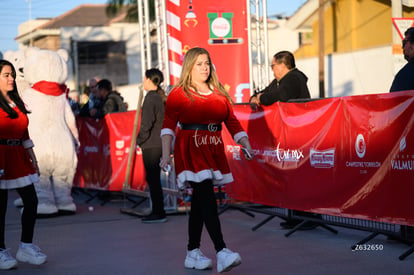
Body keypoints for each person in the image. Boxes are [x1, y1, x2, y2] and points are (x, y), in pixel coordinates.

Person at [159, 47, 254, 273]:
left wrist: (245, 142)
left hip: (213, 147)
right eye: (199, 63)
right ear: (189, 66)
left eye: (207, 63)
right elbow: (168, 125)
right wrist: (165, 154)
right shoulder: (179, 93)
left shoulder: (219, 93)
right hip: (190, 147)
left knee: (201, 202)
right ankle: (221, 250)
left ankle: (193, 252)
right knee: (206, 196)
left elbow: (231, 121)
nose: (204, 67)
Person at [250, 51, 318, 230]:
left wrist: (261, 99)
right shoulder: (281, 80)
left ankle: (307, 217)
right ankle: (295, 215)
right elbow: (265, 92)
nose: (272, 70)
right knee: (291, 176)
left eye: (273, 66)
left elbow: (278, 95)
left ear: (281, 65)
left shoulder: (294, 78)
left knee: (301, 176)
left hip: (300, 134)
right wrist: (255, 98)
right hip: (288, 134)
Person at [0, 60, 47, 270]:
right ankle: (0, 251)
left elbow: (24, 133)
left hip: (18, 156)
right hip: (0, 156)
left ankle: (25, 247)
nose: (11, 79)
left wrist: (33, 159)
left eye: (12, 75)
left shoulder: (16, 102)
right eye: (6, 75)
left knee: (31, 201)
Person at [136, 69, 167, 223]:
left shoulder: (151, 98)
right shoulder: (158, 97)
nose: (143, 81)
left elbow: (146, 124)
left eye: (144, 78)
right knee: (154, 178)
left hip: (151, 144)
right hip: (158, 142)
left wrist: (139, 140)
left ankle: (158, 212)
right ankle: (158, 209)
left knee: (153, 179)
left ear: (149, 80)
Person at [390, 27, 414, 92]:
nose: (402, 47)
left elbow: (394, 99)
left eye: (404, 42)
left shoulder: (406, 74)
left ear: (412, 45)